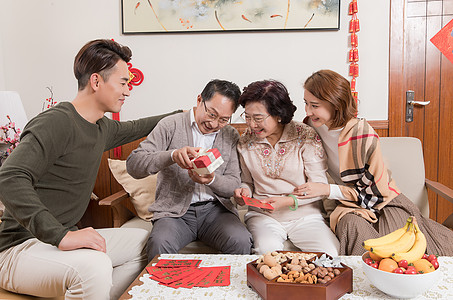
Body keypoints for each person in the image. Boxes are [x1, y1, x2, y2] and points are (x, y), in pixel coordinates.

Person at [0, 39, 181, 299]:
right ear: (96, 81)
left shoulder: (101, 127)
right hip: (19, 249)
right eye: (123, 83)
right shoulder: (56, 122)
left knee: (146, 242)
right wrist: (61, 235)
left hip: (54, 247)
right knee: (95, 265)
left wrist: (186, 115)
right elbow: (9, 177)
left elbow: (139, 126)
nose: (128, 91)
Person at [300, 69, 453, 255]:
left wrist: (326, 190)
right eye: (306, 103)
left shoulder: (363, 134)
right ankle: (362, 282)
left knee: (400, 242)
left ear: (336, 104)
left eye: (314, 105)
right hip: (345, 205)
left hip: (383, 200)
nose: (308, 111)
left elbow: (377, 192)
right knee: (352, 226)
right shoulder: (310, 126)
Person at [126, 79, 253, 261]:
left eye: (224, 119)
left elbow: (233, 183)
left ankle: (226, 290)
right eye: (211, 114)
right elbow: (134, 165)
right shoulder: (170, 125)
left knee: (240, 240)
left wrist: (211, 180)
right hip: (175, 214)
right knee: (160, 242)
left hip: (216, 212)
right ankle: (165, 290)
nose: (214, 124)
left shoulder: (230, 134)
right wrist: (172, 156)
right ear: (199, 100)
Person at [233, 80, 340, 256]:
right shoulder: (245, 141)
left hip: (305, 216)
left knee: (330, 253)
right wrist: (243, 192)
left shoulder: (305, 135)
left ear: (278, 115)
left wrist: (289, 201)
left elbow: (319, 185)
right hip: (263, 216)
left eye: (258, 118)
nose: (251, 124)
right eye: (247, 117)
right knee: (266, 253)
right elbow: (247, 182)